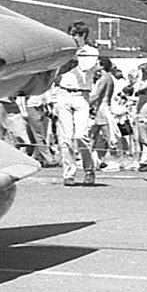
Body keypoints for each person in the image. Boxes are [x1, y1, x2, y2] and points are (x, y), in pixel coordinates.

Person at [51, 21, 98, 187]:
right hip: (63, 94)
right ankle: (69, 173)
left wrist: (76, 52)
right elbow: (56, 71)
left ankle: (89, 170)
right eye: (71, 34)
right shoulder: (63, 52)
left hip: (81, 95)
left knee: (81, 135)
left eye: (77, 34)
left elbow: (85, 67)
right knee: (66, 138)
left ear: (83, 35)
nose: (74, 37)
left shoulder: (90, 52)